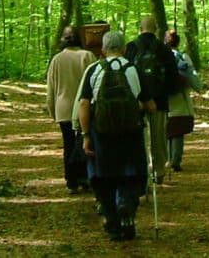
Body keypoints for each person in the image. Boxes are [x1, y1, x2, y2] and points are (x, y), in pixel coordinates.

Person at [78, 30, 152, 241]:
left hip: (101, 134)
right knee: (131, 174)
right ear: (124, 48)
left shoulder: (94, 70)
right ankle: (126, 205)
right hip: (130, 133)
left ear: (102, 49)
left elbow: (83, 104)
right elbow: (150, 104)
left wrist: (85, 135)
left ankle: (113, 226)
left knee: (103, 179)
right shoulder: (133, 69)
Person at [124, 16, 179, 185]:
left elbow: (124, 74)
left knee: (138, 137)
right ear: (156, 29)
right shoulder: (164, 49)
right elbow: (173, 76)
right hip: (159, 101)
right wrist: (168, 93)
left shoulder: (130, 48)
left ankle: (140, 172)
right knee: (158, 137)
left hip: (137, 101)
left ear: (140, 28)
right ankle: (159, 171)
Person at [46, 26, 93, 194]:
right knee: (85, 143)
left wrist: (52, 111)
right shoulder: (87, 56)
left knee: (69, 144)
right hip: (83, 108)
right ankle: (85, 178)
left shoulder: (57, 60)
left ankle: (71, 181)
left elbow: (50, 90)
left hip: (63, 109)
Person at [164, 29, 203, 173]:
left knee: (167, 129)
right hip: (180, 96)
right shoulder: (183, 56)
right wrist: (199, 87)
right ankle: (175, 160)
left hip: (164, 98)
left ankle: (168, 159)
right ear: (178, 42)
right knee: (178, 130)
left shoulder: (161, 57)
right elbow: (192, 76)